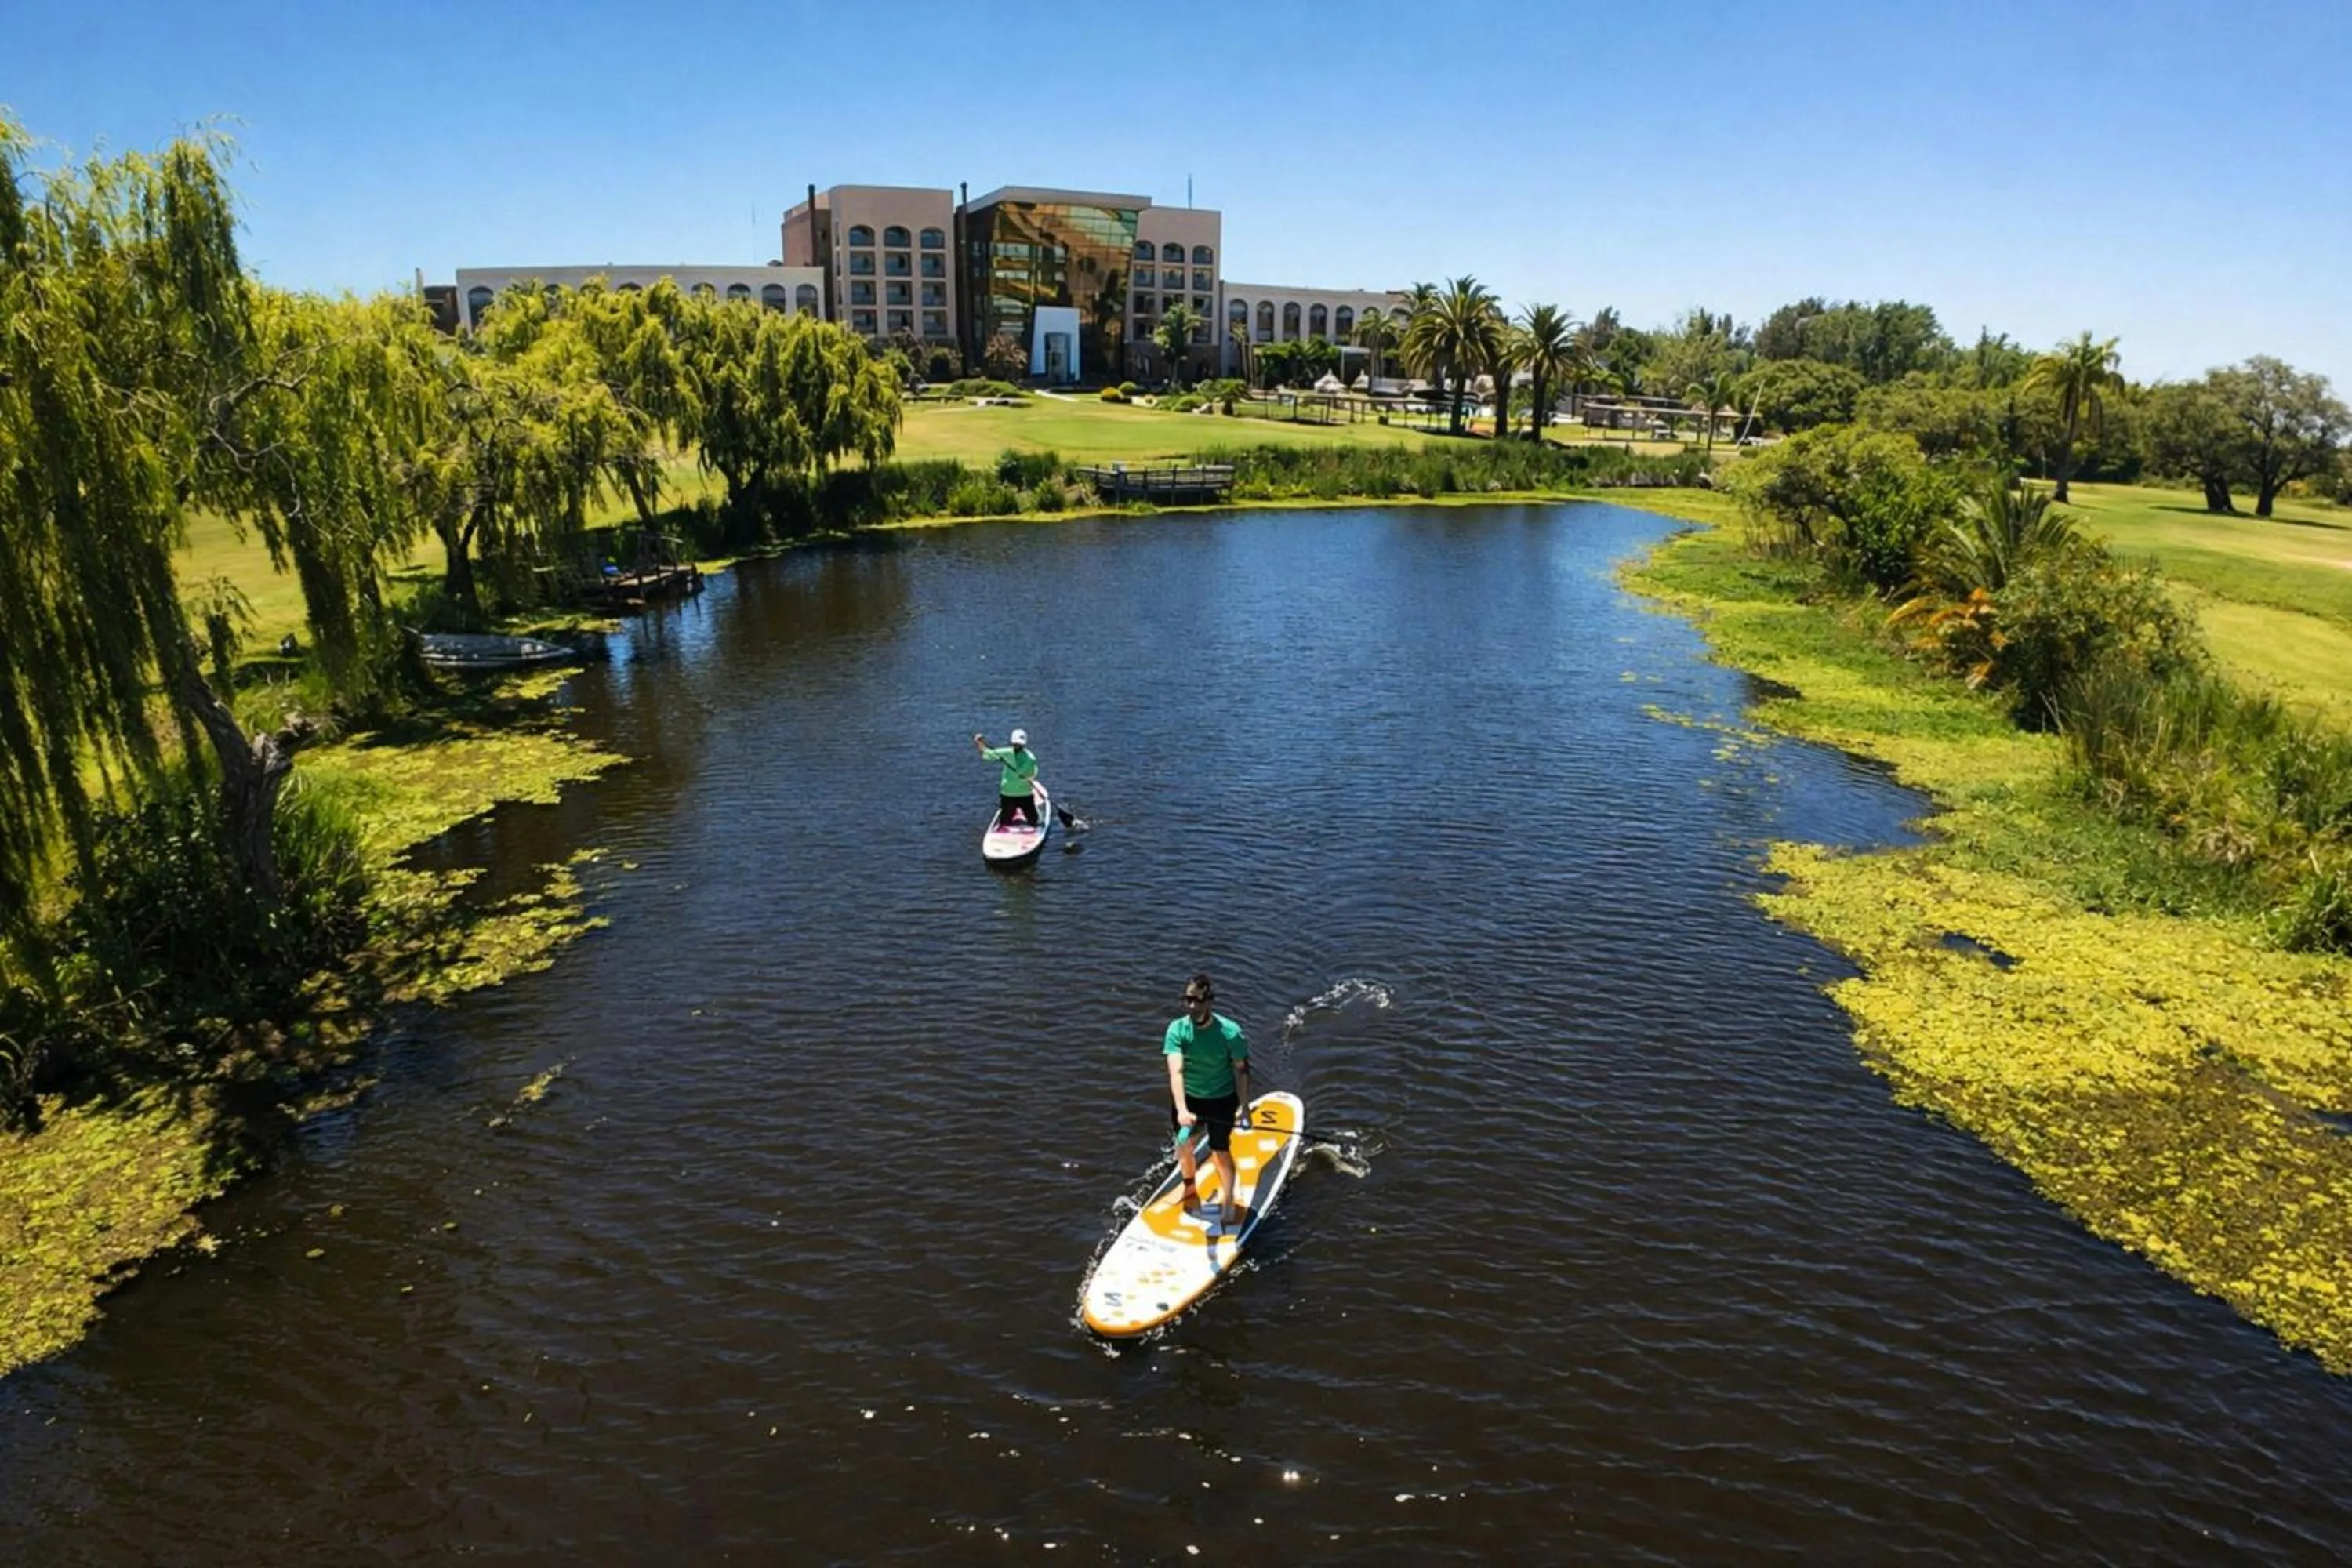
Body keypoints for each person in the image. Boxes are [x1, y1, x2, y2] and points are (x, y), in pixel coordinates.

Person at [1164, 973, 1254, 1225]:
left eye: (1198, 1000)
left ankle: (1228, 1199)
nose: (1192, 1006)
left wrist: (1245, 1108)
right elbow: (1176, 1072)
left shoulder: (1230, 1033)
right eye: (1188, 1000)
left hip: (1221, 1099)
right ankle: (1189, 1187)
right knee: (1183, 1146)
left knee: (1219, 1150)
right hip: (1190, 1099)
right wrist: (1182, 1109)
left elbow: (1242, 1071)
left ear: (1210, 1001)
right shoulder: (1177, 1030)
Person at [973, 728, 1040, 827]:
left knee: (1006, 820)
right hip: (1025, 792)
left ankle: (1005, 822)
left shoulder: (1005, 752)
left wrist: (978, 743)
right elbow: (1033, 773)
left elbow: (985, 753)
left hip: (1008, 793)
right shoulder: (1031, 757)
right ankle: (1032, 823)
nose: (1017, 745)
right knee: (1033, 819)